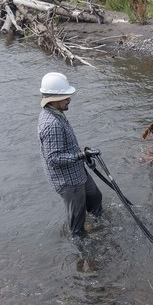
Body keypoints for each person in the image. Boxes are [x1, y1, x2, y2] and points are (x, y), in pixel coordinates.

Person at [37, 72, 102, 238]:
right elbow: (53, 159)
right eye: (66, 97)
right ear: (54, 99)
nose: (69, 100)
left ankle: (101, 229)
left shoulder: (56, 113)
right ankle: (84, 253)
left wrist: (82, 156)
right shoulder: (52, 124)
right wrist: (81, 155)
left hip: (77, 172)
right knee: (77, 226)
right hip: (68, 181)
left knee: (95, 197)